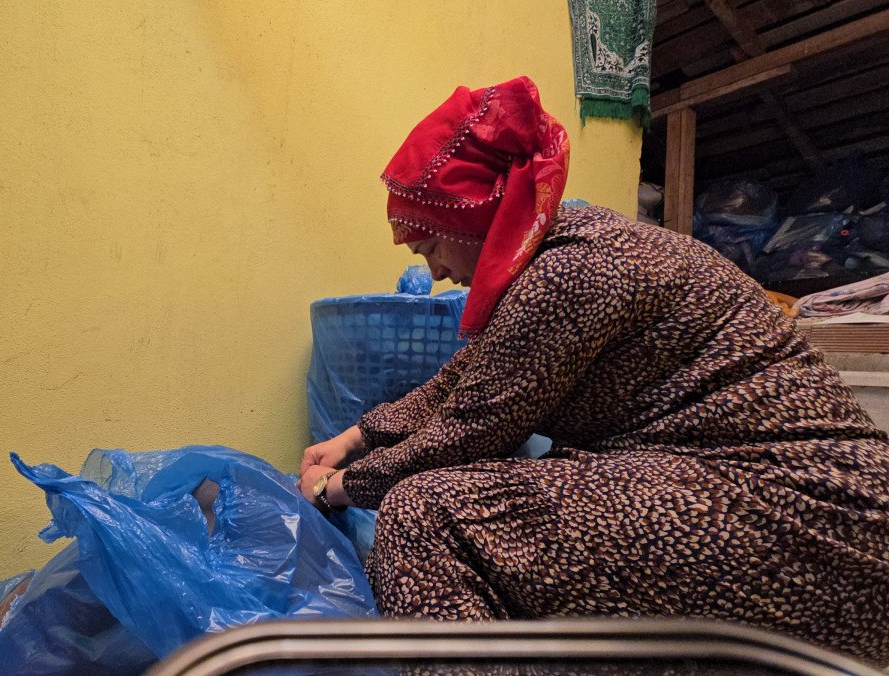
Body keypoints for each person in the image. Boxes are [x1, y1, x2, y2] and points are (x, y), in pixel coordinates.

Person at [297, 76, 889, 666]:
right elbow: (465, 380)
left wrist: (336, 488)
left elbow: (470, 430)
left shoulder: (569, 271)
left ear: (476, 219)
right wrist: (355, 437)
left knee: (422, 512)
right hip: (797, 504)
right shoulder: (568, 250)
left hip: (811, 517)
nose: (437, 271)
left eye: (431, 248)